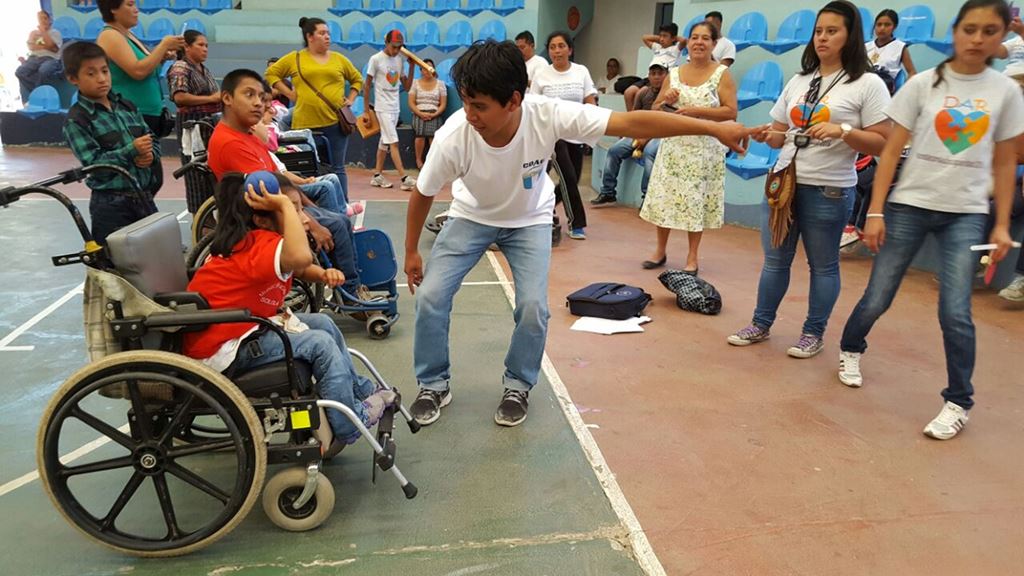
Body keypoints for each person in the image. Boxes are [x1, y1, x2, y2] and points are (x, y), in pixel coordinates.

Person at [402, 40, 751, 428]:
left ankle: (518, 384)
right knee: (431, 295)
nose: (469, 114)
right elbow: (423, 193)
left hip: (529, 220)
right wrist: (412, 251)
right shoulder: (455, 135)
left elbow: (632, 123)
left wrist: (713, 128)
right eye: (465, 102)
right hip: (470, 216)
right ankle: (433, 383)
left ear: (514, 100)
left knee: (534, 308)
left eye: (479, 106)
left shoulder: (547, 114)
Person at [837, 0, 1024, 440]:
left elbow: (1004, 160)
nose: (978, 39)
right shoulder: (923, 85)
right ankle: (850, 348)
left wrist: (999, 225)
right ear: (956, 32)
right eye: (970, 29)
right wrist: (877, 210)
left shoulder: (1006, 92)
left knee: (956, 311)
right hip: (909, 207)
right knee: (878, 297)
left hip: (966, 214)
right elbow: (889, 150)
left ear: (1002, 37)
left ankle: (958, 401)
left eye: (990, 31)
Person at [183, 172, 394, 453]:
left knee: (323, 323)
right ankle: (348, 422)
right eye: (292, 210)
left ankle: (359, 392)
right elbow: (300, 258)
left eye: (298, 208)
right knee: (320, 344)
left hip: (244, 330)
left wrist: (322, 273)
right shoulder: (258, 244)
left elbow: (299, 267)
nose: (302, 216)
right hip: (223, 348)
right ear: (261, 219)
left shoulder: (262, 243)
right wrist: (283, 205)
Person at [727, 0, 892, 358]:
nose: (822, 38)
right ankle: (760, 323)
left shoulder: (868, 84)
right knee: (774, 261)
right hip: (783, 184)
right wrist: (764, 134)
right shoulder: (800, 80)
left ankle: (812, 333)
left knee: (823, 265)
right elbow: (779, 134)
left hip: (829, 188)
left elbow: (882, 141)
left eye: (832, 31)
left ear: (850, 37)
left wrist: (843, 130)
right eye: (819, 31)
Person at [207, 69, 369, 304]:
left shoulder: (248, 134)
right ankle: (352, 294)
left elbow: (279, 179)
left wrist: (311, 210)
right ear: (227, 98)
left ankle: (349, 283)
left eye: (261, 97)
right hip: (264, 214)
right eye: (249, 95)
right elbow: (268, 196)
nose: (257, 103)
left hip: (280, 202)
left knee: (332, 213)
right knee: (337, 223)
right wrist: (313, 225)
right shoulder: (230, 143)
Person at [641, 22, 738, 273]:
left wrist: (696, 111)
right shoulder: (674, 72)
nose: (698, 42)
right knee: (666, 199)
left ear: (714, 44)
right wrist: (666, 101)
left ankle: (692, 256)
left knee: (695, 202)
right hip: (674, 146)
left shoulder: (722, 74)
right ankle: (660, 250)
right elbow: (656, 109)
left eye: (705, 38)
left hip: (703, 149)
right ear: (688, 43)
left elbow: (731, 112)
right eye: (694, 37)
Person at [61, 42, 160, 245]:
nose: (101, 79)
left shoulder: (127, 106)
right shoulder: (77, 120)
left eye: (105, 71)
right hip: (111, 205)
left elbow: (151, 138)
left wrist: (150, 156)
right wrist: (131, 151)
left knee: (154, 256)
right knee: (115, 264)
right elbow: (94, 165)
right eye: (91, 74)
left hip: (143, 197)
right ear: (73, 79)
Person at [266, 17, 363, 199]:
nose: (327, 37)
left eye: (328, 33)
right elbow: (271, 73)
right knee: (308, 167)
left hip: (335, 122)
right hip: (305, 124)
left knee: (338, 167)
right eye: (322, 33)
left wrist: (351, 98)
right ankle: (313, 203)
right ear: (310, 37)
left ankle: (343, 205)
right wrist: (289, 94)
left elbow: (357, 78)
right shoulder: (296, 58)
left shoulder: (338, 59)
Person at [530, 31, 597, 240]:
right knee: (567, 176)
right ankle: (576, 223)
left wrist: (590, 129)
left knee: (573, 180)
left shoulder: (581, 71)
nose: (557, 51)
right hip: (552, 134)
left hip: (576, 133)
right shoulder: (542, 75)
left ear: (570, 49)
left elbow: (590, 100)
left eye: (561, 46)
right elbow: (533, 106)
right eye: (552, 47)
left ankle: (544, 207)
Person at [591, 56, 671, 207]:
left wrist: (645, 139)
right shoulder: (643, 93)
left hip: (660, 135)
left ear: (667, 75)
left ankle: (647, 198)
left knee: (649, 154)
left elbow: (667, 125)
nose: (656, 77)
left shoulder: (671, 96)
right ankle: (608, 192)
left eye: (660, 73)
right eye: (653, 73)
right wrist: (633, 134)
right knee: (614, 150)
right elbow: (634, 119)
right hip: (639, 134)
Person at [96, 0, 184, 137]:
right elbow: (138, 71)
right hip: (131, 116)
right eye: (130, 5)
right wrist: (163, 46)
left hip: (147, 115)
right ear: (113, 9)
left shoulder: (127, 35)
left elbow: (148, 69)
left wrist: (160, 57)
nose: (136, 10)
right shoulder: (110, 35)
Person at [167, 30, 221, 214]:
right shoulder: (180, 68)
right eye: (200, 45)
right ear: (187, 47)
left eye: (206, 45)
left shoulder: (203, 69)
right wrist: (211, 98)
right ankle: (201, 221)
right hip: (192, 127)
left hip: (209, 126)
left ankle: (210, 217)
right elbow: (179, 97)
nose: (205, 49)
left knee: (210, 172)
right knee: (195, 173)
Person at [364, 30, 416, 190]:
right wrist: (366, 110)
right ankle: (404, 178)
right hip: (382, 107)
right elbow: (366, 85)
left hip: (395, 107)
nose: (396, 50)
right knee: (393, 142)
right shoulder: (376, 59)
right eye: (394, 47)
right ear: (386, 43)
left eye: (399, 47)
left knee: (384, 143)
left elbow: (407, 87)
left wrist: (412, 66)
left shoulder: (400, 60)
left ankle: (377, 175)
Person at [624, 23, 683, 111]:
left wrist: (673, 38)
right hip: (649, 77)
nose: (662, 39)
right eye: (661, 36)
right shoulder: (657, 47)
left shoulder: (675, 49)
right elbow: (645, 37)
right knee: (628, 92)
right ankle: (630, 116)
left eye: (665, 36)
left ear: (673, 38)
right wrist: (661, 38)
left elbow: (684, 41)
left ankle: (636, 116)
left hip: (662, 78)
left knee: (639, 93)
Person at [16, 11, 64, 103]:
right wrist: (45, 45)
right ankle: (37, 91)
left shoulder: (55, 33)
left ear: (49, 20)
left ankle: (36, 95)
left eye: (45, 18)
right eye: (40, 18)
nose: (43, 21)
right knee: (20, 72)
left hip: (51, 58)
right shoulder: (34, 33)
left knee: (44, 70)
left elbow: (53, 48)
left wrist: (43, 32)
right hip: (34, 58)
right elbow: (31, 47)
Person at [409, 58, 448, 169]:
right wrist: (420, 113)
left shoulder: (440, 84)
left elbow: (443, 104)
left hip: (435, 113)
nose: (427, 71)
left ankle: (432, 162)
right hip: (419, 113)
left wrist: (434, 114)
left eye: (430, 68)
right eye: (425, 69)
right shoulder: (415, 83)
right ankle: (419, 160)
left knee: (433, 136)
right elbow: (411, 103)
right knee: (420, 134)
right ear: (421, 71)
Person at [866, 9, 917, 93]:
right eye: (879, 25)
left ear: (894, 27)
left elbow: (912, 72)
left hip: (885, 88)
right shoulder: (866, 46)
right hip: (865, 85)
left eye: (887, 25)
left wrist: (905, 91)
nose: (882, 28)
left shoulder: (900, 47)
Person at [996, 14, 1024, 85]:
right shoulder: (1017, 39)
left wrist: (1022, 32)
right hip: (1007, 79)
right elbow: (998, 52)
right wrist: (1002, 32)